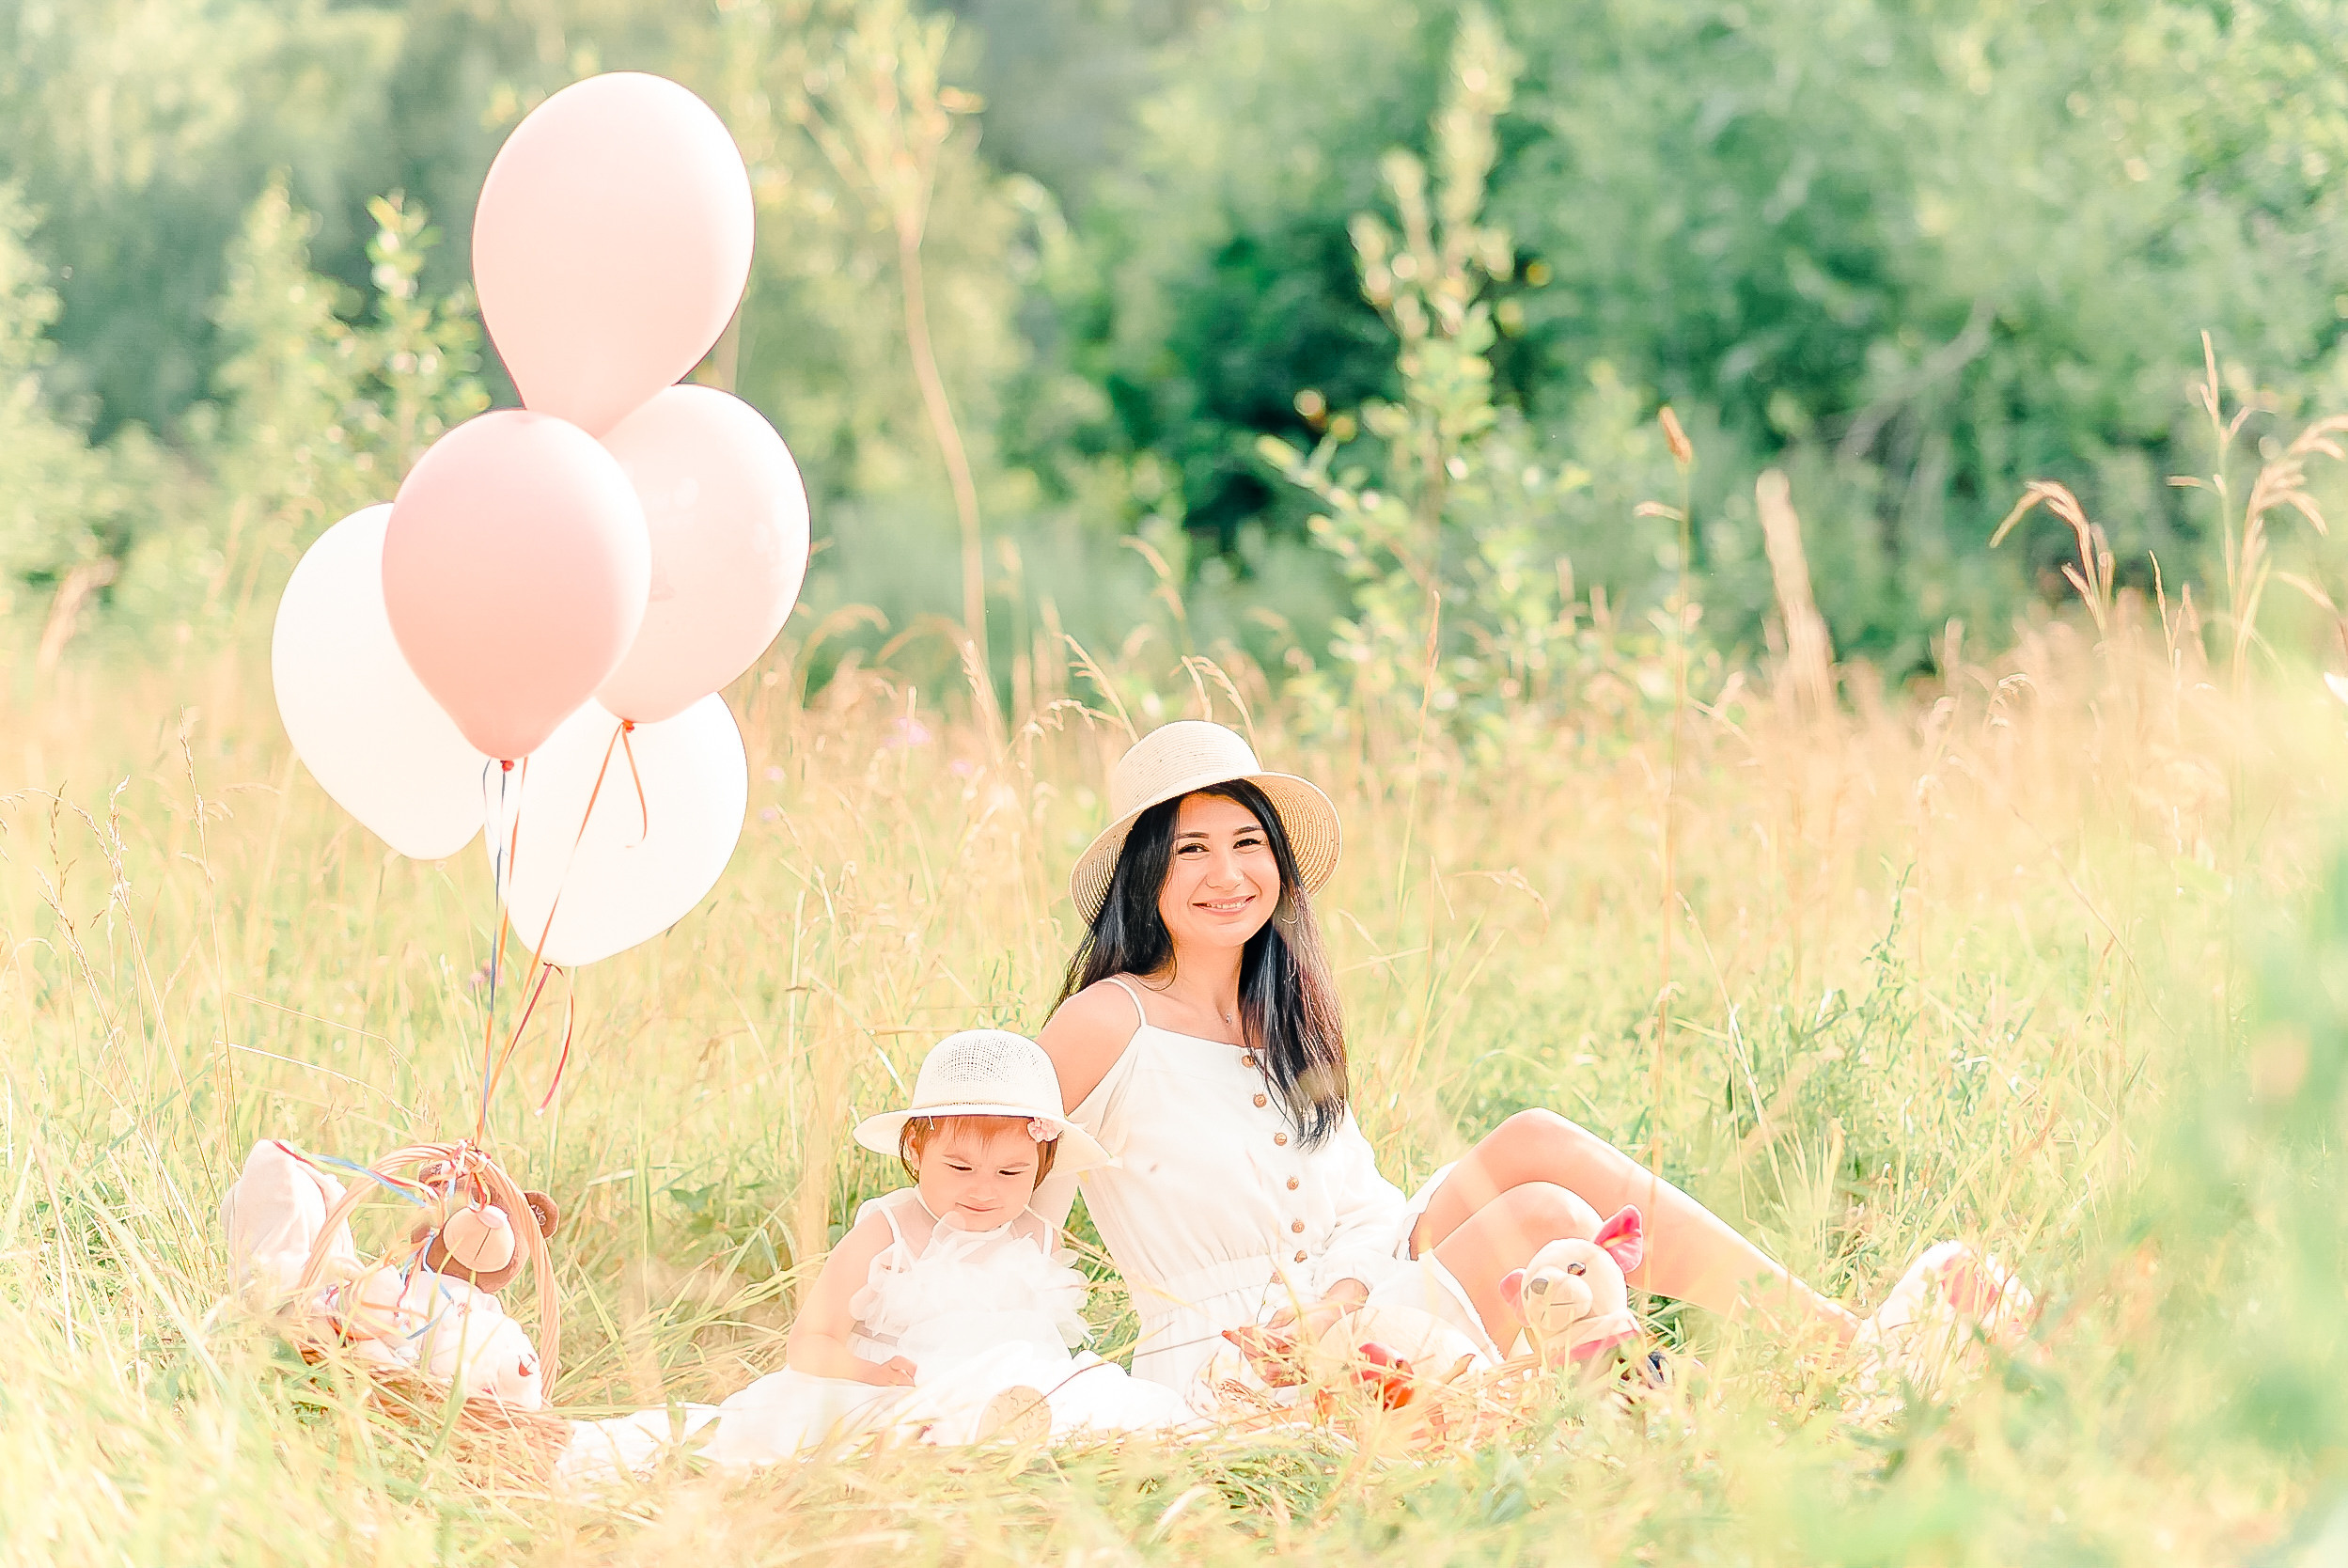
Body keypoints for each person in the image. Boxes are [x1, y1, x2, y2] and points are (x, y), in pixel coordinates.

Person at [1034, 721, 1998, 1393]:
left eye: (1246, 842)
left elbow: (1362, 1209)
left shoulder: (1276, 1015)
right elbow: (995, 1218)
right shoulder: (1104, 1023)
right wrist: (998, 1386)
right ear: (1143, 873)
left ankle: (1841, 1346)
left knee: (1538, 1150)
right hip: (1237, 1360)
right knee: (1549, 1218)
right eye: (1190, 849)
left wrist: (1341, 1292)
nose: (1226, 874)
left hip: (1350, 1296)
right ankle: (1820, 1360)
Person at [558, 1030, 1190, 1484]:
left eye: (1011, 1171)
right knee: (788, 1439)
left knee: (1110, 1408)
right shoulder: (888, 1232)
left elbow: (1040, 1346)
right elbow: (809, 1343)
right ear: (916, 1148)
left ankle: (1018, 1447)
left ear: (1042, 1164)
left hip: (1018, 1393)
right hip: (902, 1392)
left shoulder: (1037, 1236)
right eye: (960, 1166)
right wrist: (872, 1374)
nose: (983, 1189)